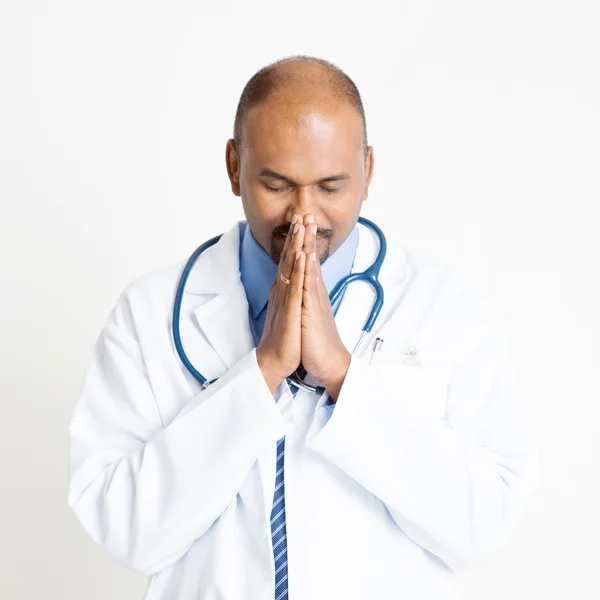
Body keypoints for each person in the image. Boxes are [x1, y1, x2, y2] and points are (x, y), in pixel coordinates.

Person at [67, 55, 540, 600]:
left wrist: (342, 375)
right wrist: (262, 370)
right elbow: (126, 531)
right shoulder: (147, 313)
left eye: (331, 186)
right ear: (234, 167)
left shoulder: (447, 309)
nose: (304, 215)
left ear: (367, 170)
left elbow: (485, 525)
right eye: (277, 184)